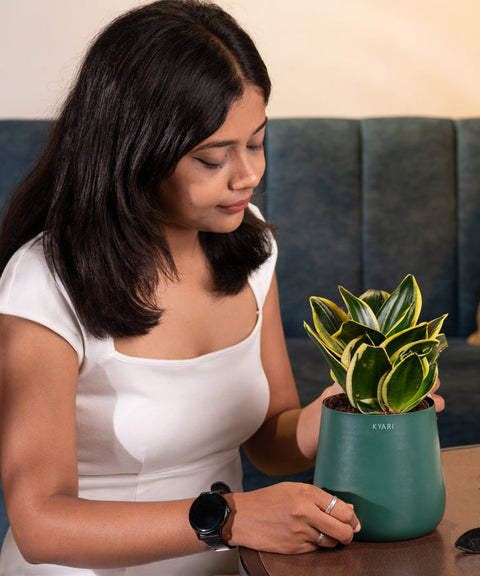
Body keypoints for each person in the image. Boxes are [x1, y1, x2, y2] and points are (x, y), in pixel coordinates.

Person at [0, 1, 444, 575]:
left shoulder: (250, 244)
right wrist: (229, 518)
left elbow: (269, 438)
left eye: (255, 143)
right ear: (135, 155)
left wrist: (355, 407)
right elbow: (40, 524)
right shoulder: (46, 283)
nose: (247, 176)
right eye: (212, 158)